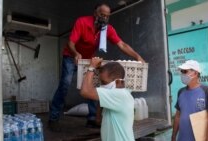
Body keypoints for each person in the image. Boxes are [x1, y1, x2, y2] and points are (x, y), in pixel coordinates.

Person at [48, 2, 145, 130]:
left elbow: (122, 44)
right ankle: (53, 118)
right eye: (102, 14)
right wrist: (76, 53)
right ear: (95, 13)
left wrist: (137, 56)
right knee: (65, 84)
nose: (104, 18)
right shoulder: (82, 22)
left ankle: (92, 118)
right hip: (72, 57)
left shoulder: (107, 29)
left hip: (88, 60)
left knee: (93, 83)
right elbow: (71, 42)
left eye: (107, 16)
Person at [80, 57, 135, 141]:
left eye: (104, 82)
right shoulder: (118, 95)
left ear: (116, 81)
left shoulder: (119, 95)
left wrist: (91, 67)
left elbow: (85, 92)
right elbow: (98, 120)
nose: (102, 85)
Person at [171, 60, 208, 141]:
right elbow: (178, 116)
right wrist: (173, 136)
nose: (182, 74)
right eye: (181, 71)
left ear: (195, 73)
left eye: (185, 71)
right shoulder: (181, 92)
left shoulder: (207, 90)